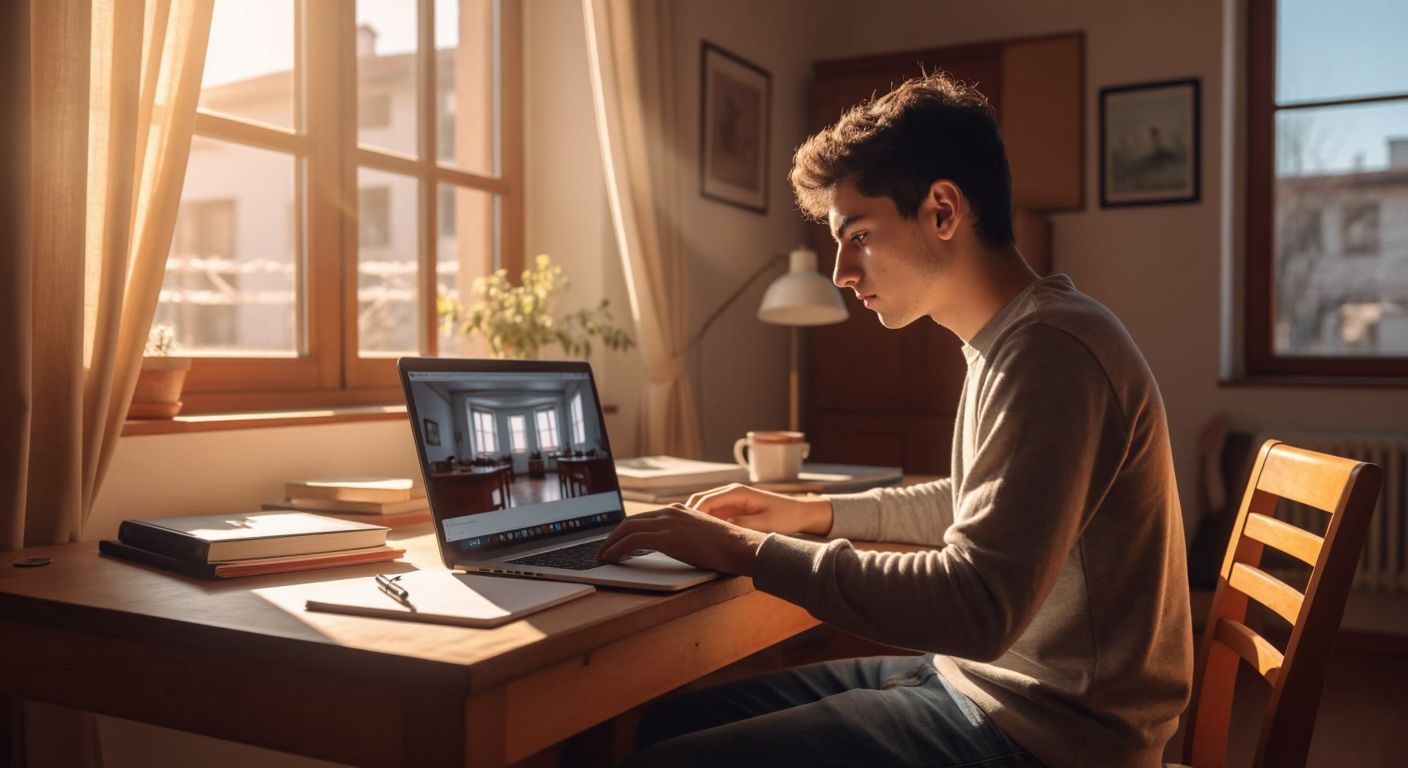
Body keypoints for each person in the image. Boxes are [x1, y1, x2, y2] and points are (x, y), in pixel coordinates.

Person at [598, 72, 1192, 768]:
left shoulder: (1050, 353)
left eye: (858, 236)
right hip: (990, 689)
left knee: (666, 759)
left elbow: (977, 606)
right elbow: (979, 505)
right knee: (665, 724)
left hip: (1045, 735)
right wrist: (809, 515)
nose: (843, 272)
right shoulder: (1016, 340)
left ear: (943, 210)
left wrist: (747, 553)